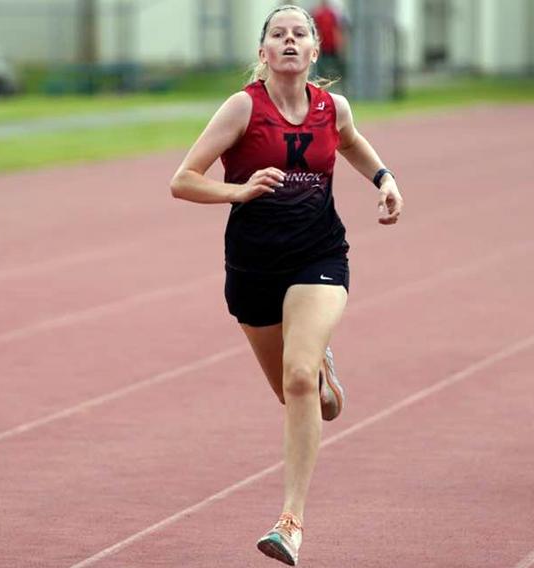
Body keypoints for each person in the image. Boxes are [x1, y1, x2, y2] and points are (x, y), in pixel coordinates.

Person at [169, 4, 403, 565]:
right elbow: (183, 180)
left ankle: (290, 522)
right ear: (263, 52)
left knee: (296, 377)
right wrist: (238, 190)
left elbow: (349, 141)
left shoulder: (332, 107)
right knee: (294, 393)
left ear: (317, 50)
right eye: (280, 34)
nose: (291, 41)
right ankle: (321, 377)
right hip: (252, 267)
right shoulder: (242, 109)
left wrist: (385, 179)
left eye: (302, 34)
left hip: (318, 255)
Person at [311, 0, 346, 82]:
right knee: (320, 70)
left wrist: (340, 46)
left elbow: (337, 30)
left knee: (337, 68)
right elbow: (316, 31)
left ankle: (340, 85)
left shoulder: (333, 13)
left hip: (333, 46)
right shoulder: (317, 13)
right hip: (322, 46)